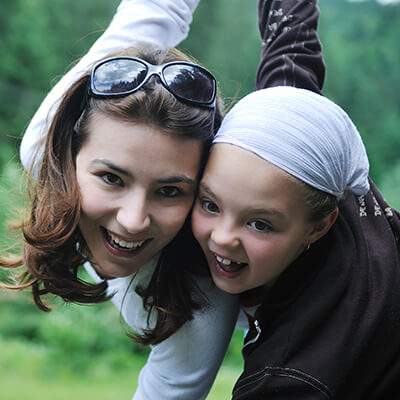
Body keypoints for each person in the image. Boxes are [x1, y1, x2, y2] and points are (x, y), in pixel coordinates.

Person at [4, 0, 327, 398]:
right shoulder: (43, 146)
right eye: (111, 178)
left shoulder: (199, 298)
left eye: (170, 191)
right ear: (68, 156)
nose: (134, 220)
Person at [191, 85, 400, 398]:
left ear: (318, 227)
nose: (222, 237)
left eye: (259, 224)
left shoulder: (287, 379)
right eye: (210, 204)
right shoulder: (325, 175)